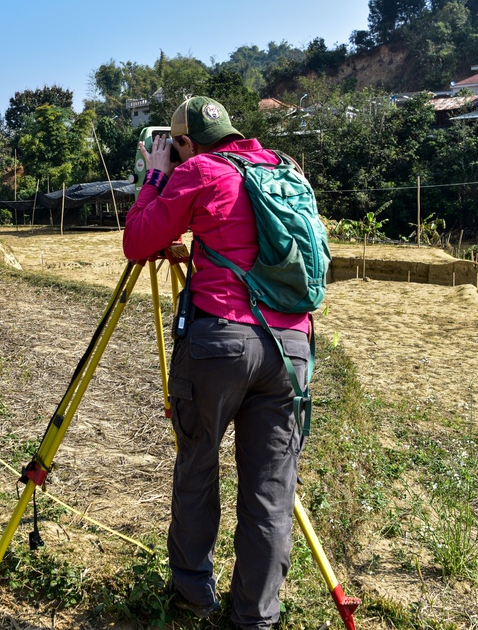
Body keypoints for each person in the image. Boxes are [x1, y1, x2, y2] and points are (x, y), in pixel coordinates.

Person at [123, 97, 312, 630]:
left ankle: (192, 593)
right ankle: (255, 618)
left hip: (221, 341)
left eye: (174, 146)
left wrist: (157, 178)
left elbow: (138, 241)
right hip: (291, 347)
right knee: (271, 489)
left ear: (184, 142)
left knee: (199, 464)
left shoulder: (200, 171)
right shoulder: (282, 167)